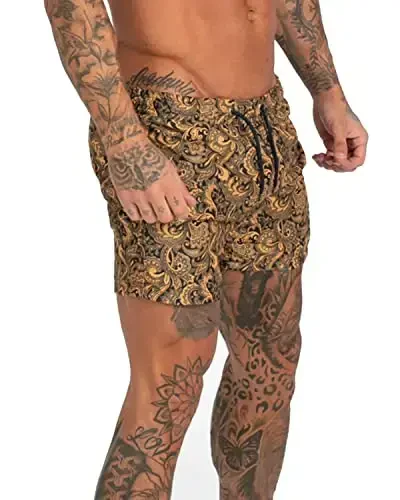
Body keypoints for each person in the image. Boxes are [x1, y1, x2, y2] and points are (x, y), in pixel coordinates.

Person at [45, 1, 368, 498]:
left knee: (269, 365)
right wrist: (124, 139)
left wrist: (328, 90)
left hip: (265, 126)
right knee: (170, 383)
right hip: (165, 128)